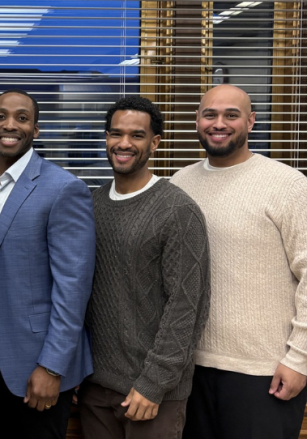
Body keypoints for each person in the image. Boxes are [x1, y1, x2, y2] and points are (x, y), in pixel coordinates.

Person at [172, 84, 307, 439]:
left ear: (251, 122)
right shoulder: (180, 183)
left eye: (231, 115)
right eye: (210, 114)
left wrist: (299, 360)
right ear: (196, 121)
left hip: (263, 372)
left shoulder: (288, 185)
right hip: (190, 369)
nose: (219, 123)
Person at [0, 89, 96, 438]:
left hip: (37, 361)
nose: (10, 124)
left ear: (36, 130)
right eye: (1, 116)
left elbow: (73, 287)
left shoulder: (63, 189)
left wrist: (52, 368)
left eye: (22, 118)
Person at [78, 95, 210, 439]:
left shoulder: (178, 210)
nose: (124, 143)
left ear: (155, 143)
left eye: (136, 135)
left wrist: (154, 384)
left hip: (152, 395)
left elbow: (187, 308)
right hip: (95, 390)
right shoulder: (90, 204)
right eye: (115, 133)